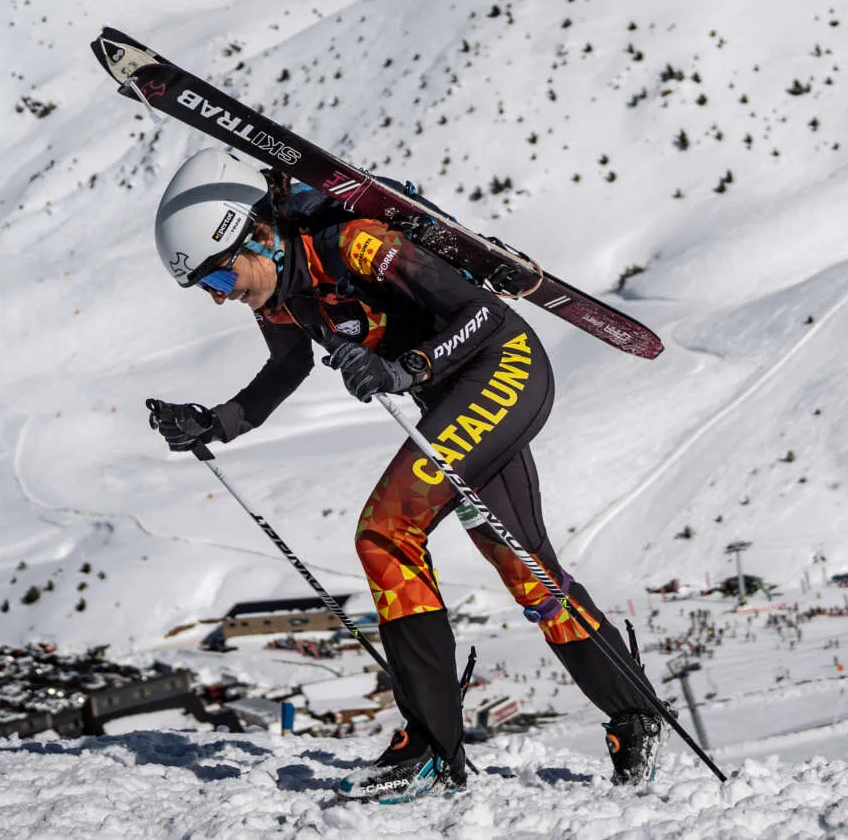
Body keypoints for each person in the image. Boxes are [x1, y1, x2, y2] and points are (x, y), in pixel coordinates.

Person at [141, 149, 664, 800]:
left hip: (501, 368)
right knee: (526, 567)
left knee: (386, 532)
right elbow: (285, 368)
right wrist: (212, 424)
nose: (224, 296)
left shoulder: (355, 243)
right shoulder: (278, 292)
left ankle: (430, 748)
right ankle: (635, 712)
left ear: (258, 234)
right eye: (209, 289)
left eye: (222, 277)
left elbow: (482, 314)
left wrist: (405, 368)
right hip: (449, 400)